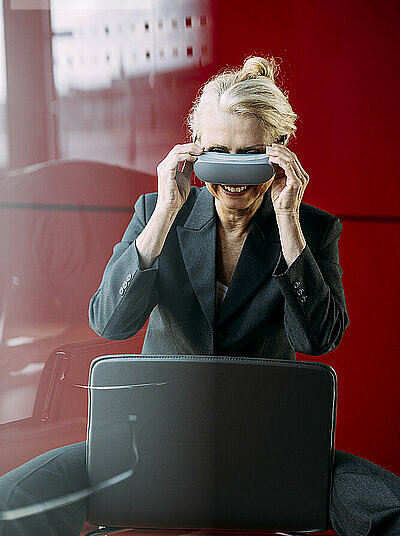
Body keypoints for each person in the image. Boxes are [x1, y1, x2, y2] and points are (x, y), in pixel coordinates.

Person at [1, 56, 399, 536]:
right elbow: (109, 322)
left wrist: (290, 224)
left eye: (250, 154)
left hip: (269, 446)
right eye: (217, 152)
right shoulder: (156, 211)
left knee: (384, 506)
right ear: (193, 152)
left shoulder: (312, 228)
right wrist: (166, 211)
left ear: (280, 153)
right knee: (16, 500)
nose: (233, 175)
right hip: (152, 442)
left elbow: (316, 340)